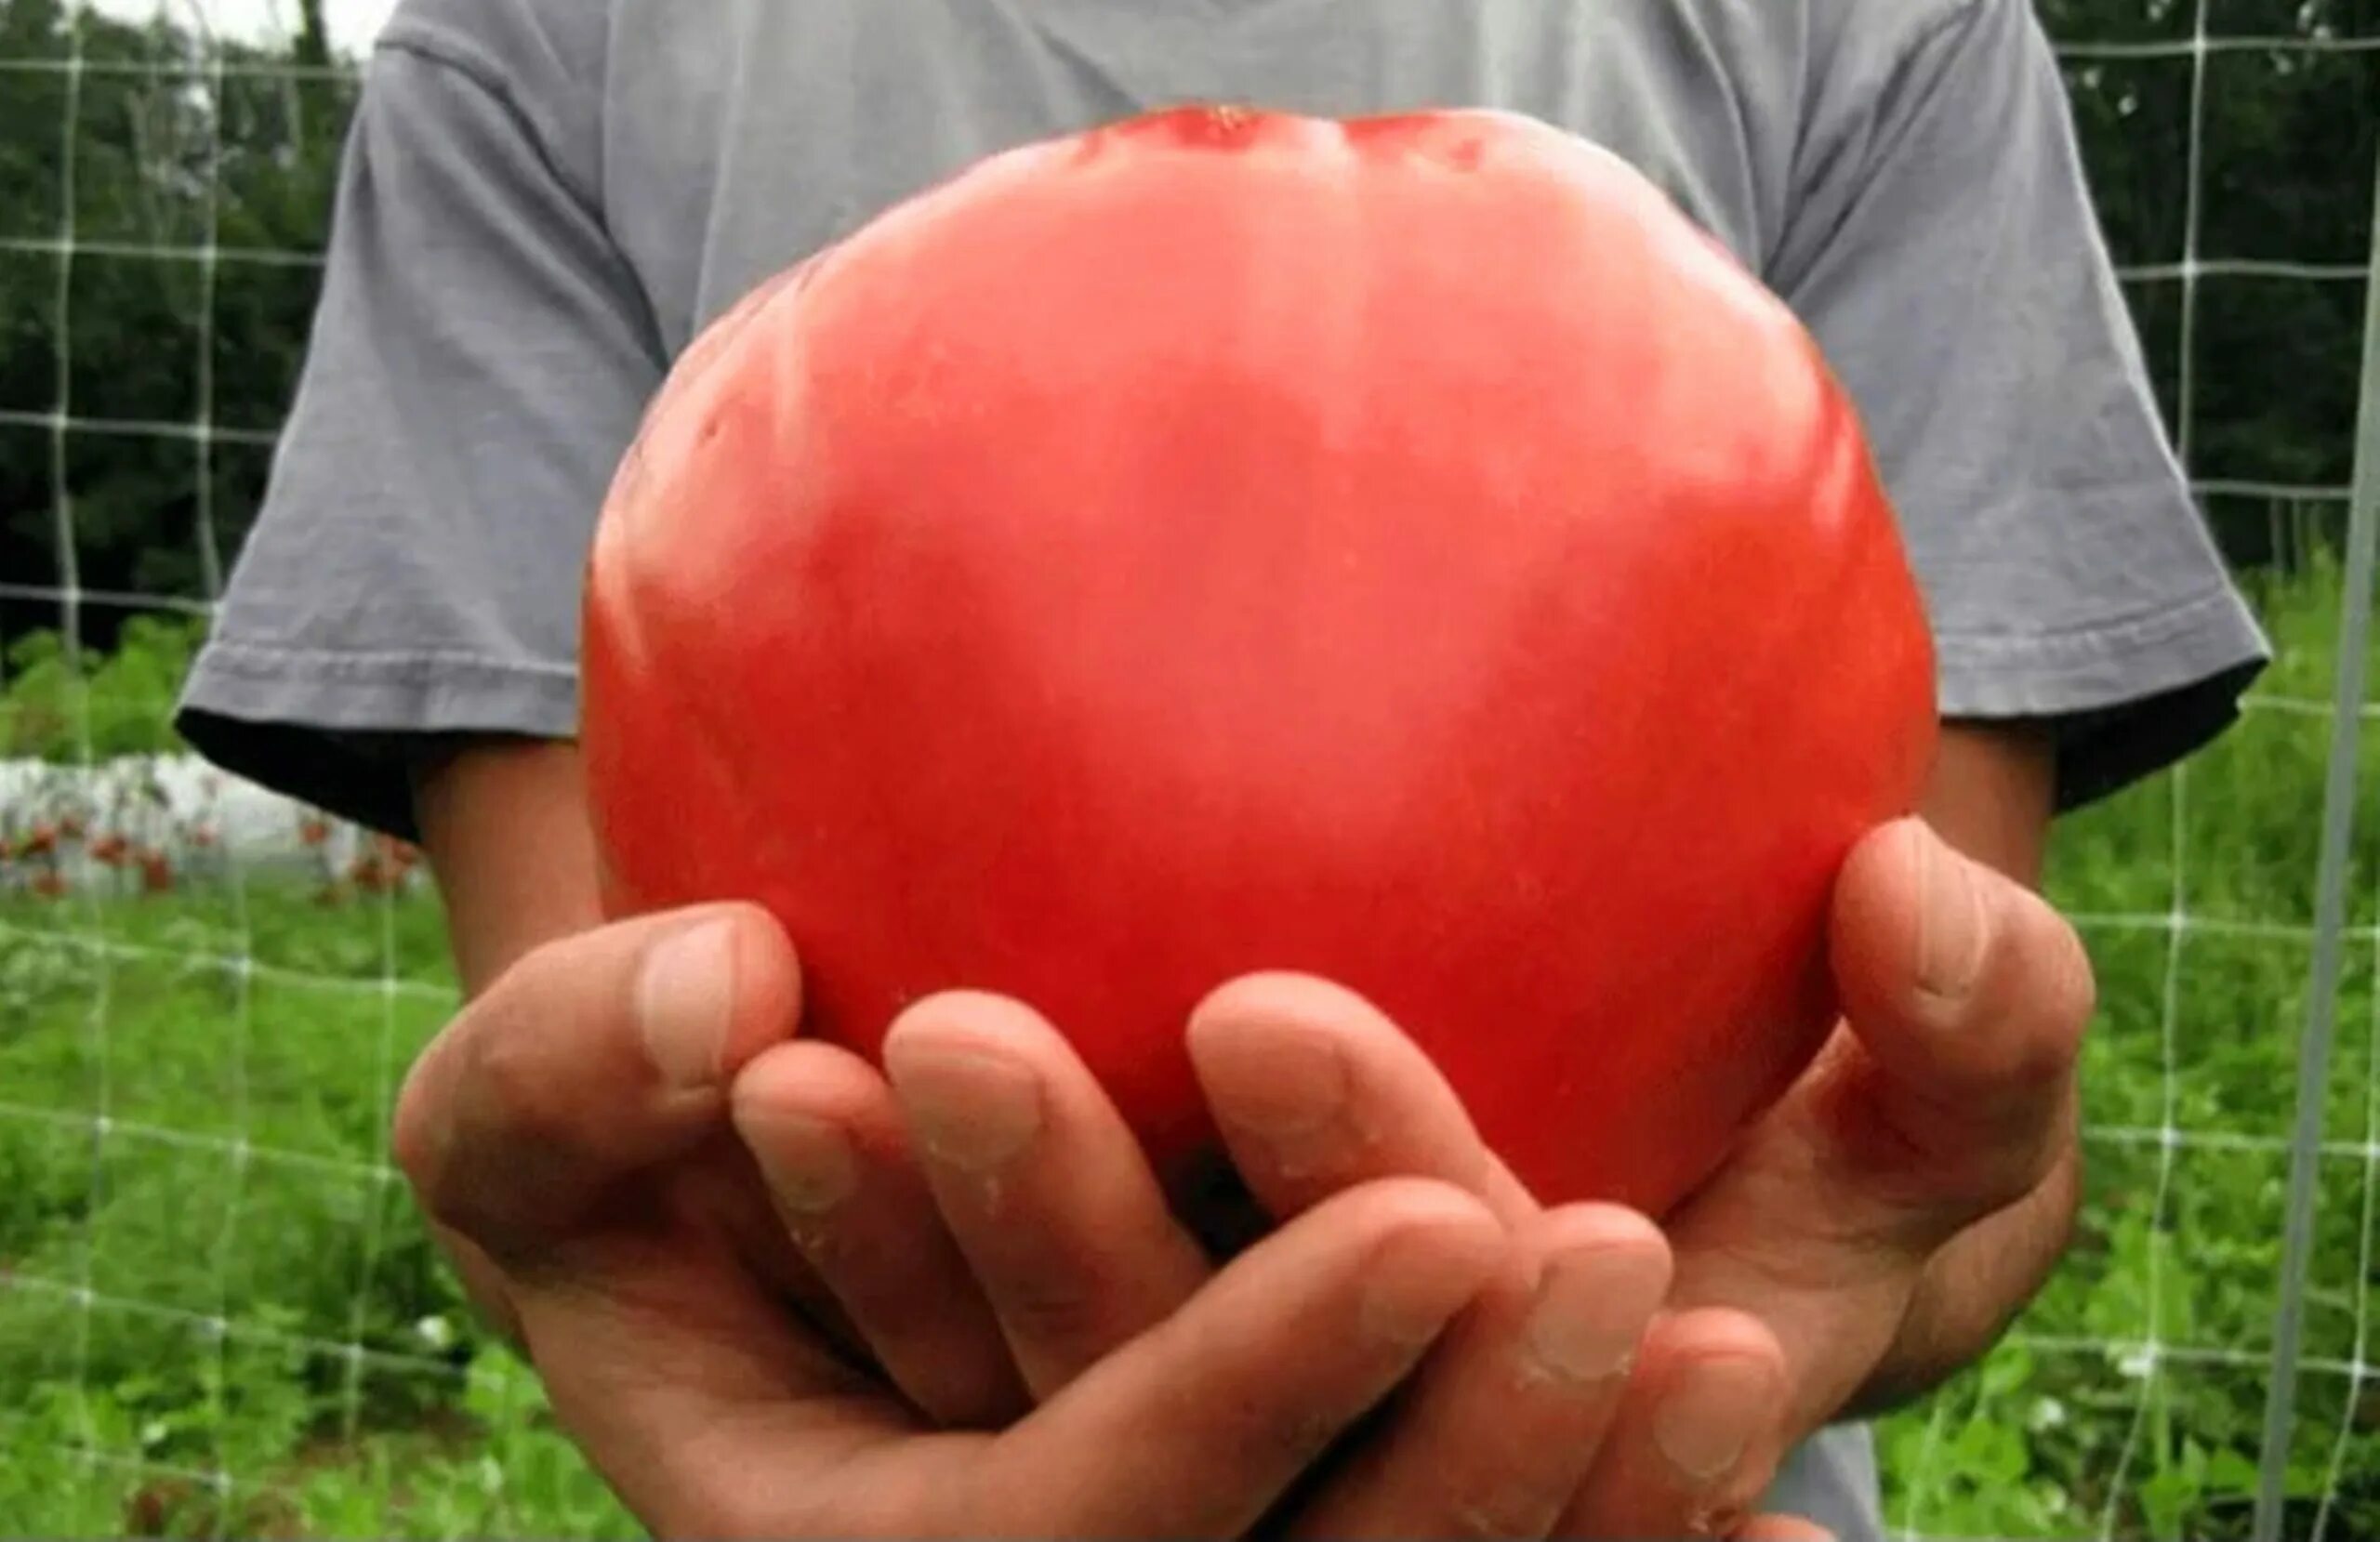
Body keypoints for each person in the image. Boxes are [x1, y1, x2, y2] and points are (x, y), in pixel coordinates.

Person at [173, 0, 2271, 1535]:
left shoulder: (1874, 25)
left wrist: (1879, 1219)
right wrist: (637, 1269)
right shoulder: (540, 47)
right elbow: (599, 1096)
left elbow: (1947, 1092)